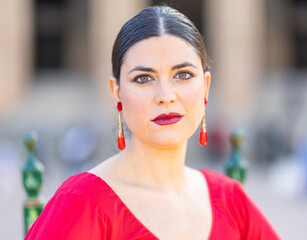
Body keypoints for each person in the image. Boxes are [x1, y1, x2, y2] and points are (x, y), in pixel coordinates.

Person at [25, 6, 280, 240]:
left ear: (206, 86)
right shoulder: (83, 203)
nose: (165, 96)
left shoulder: (231, 200)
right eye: (144, 78)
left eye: (183, 75)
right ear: (117, 92)